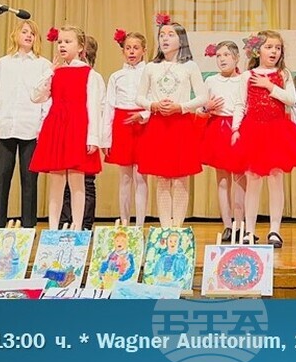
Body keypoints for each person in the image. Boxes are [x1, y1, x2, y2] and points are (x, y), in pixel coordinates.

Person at [234, 31, 296, 247]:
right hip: (253, 131)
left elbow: (291, 99)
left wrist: (270, 86)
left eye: (278, 48)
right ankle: (249, 231)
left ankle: (275, 230)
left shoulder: (283, 74)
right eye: (269, 47)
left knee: (275, 180)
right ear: (257, 50)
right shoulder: (247, 76)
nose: (274, 51)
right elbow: (240, 104)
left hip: (277, 132)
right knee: (253, 181)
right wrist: (235, 129)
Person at [134, 16, 208, 227]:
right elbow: (139, 97)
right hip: (158, 125)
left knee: (181, 178)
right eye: (161, 35)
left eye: (170, 35)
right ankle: (166, 227)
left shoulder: (190, 66)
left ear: (181, 40)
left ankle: (178, 228)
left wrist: (181, 107)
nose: (165, 39)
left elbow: (202, 97)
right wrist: (153, 105)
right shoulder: (151, 67)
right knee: (162, 178)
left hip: (181, 125)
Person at [30, 26, 104, 230]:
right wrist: (50, 71)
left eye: (68, 42)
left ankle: (77, 227)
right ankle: (53, 228)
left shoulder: (90, 74)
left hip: (77, 128)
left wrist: (93, 138)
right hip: (56, 127)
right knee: (56, 182)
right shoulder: (55, 72)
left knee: (77, 181)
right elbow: (36, 96)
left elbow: (94, 107)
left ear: (80, 47)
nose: (62, 45)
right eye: (60, 42)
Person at [0, 20, 50, 228]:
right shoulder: (3, 63)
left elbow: (46, 98)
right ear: (16, 34)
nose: (28, 36)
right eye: (24, 32)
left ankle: (28, 226)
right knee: (2, 178)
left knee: (29, 179)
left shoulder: (43, 64)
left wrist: (42, 126)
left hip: (31, 128)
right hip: (6, 126)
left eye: (32, 33)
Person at [197, 41, 245, 240]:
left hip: (238, 129)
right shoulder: (210, 81)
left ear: (236, 58)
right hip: (217, 129)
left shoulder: (243, 80)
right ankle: (227, 225)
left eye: (226, 55)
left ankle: (240, 225)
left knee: (240, 179)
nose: (222, 59)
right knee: (223, 180)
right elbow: (200, 110)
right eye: (218, 56)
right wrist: (206, 107)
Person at [101, 30, 149, 226]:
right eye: (128, 48)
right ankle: (125, 222)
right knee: (125, 177)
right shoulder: (116, 76)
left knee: (141, 177)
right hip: (122, 125)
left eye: (136, 48)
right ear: (123, 51)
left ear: (144, 50)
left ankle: (139, 225)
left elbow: (152, 99)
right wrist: (106, 139)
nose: (131, 51)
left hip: (143, 125)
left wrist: (145, 115)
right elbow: (109, 107)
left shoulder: (149, 73)